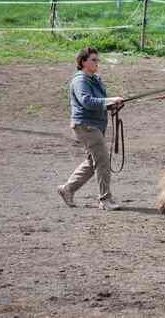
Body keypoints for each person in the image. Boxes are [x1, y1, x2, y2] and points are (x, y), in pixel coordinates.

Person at [58, 47, 124, 210]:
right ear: (83, 62)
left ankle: (68, 189)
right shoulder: (80, 80)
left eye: (97, 60)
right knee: (102, 161)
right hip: (86, 126)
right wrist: (109, 100)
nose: (97, 63)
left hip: (95, 125)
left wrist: (112, 104)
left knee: (91, 162)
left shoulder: (95, 79)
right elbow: (86, 101)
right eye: (93, 60)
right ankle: (105, 199)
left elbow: (99, 102)